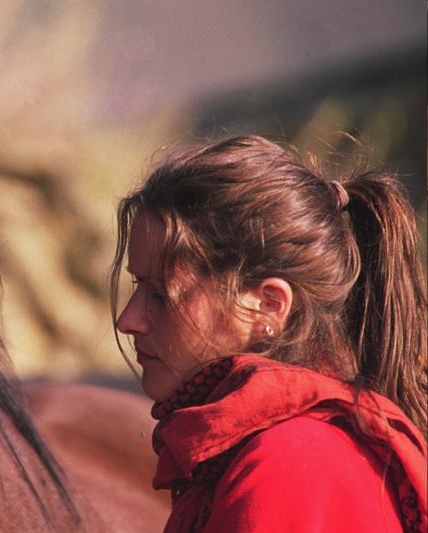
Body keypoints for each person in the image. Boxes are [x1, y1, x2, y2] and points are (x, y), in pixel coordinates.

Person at [110, 135, 427, 532]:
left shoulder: (287, 466)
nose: (128, 320)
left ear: (269, 305)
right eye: (137, 288)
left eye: (161, 295)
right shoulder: (263, 454)